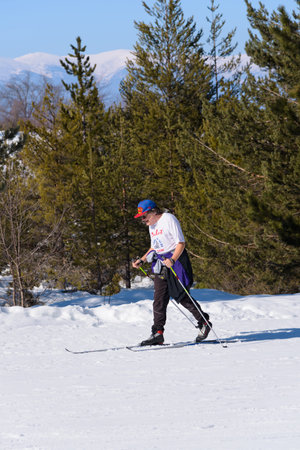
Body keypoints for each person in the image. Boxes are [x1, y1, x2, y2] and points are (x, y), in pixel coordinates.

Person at [132, 199, 212, 346]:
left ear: (153, 212)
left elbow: (181, 242)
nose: (143, 220)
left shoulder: (169, 219)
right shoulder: (152, 226)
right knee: (159, 299)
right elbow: (154, 246)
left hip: (177, 261)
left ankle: (204, 322)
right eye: (141, 218)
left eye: (144, 216)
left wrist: (173, 260)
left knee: (182, 296)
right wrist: (142, 260)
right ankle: (157, 333)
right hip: (161, 263)